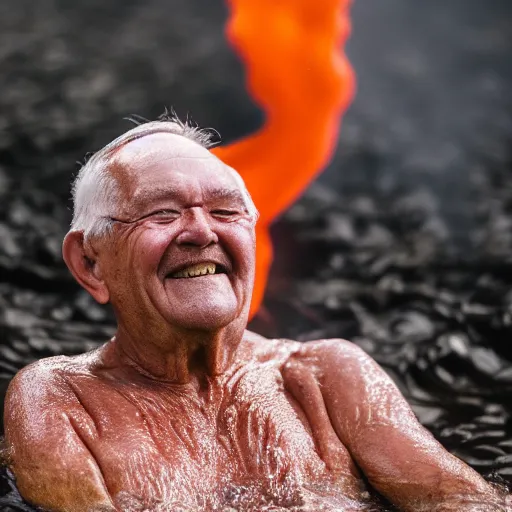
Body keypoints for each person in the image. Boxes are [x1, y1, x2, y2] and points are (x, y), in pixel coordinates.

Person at [4, 116, 510, 512]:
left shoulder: (327, 376)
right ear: (90, 263)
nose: (201, 232)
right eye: (163, 213)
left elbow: (462, 500)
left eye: (225, 212)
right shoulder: (59, 398)